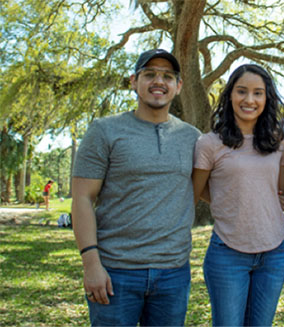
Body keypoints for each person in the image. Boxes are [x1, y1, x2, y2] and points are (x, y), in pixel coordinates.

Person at [71, 49, 201, 326]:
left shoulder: (192, 137)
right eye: (150, 74)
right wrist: (91, 263)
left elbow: (217, 188)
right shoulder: (104, 130)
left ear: (178, 87)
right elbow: (82, 197)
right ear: (133, 81)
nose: (159, 81)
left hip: (173, 273)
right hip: (115, 272)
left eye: (167, 76)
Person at [192, 64, 284, 326]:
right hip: (227, 254)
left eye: (258, 93)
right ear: (230, 95)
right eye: (242, 91)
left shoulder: (278, 140)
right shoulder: (209, 143)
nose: (249, 100)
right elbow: (196, 190)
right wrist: (229, 200)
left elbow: (282, 193)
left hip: (274, 253)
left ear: (267, 98)